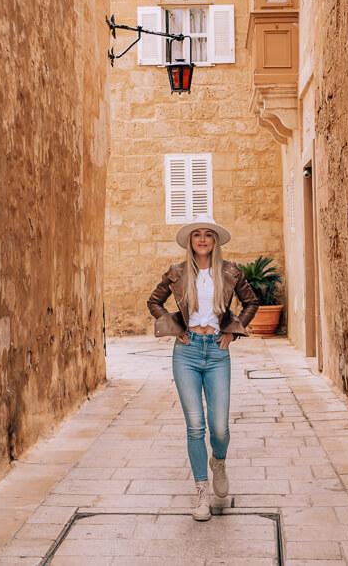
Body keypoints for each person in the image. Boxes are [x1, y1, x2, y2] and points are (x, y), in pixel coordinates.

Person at [147, 214, 259, 521]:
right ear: (190, 241)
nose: (202, 239)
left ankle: (218, 461)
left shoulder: (231, 271)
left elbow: (251, 303)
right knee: (195, 425)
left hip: (217, 353)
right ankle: (201, 493)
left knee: (219, 427)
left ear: (215, 241)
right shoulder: (178, 272)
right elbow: (154, 301)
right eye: (196, 234)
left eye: (207, 234)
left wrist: (232, 331)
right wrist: (173, 327)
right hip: (187, 351)